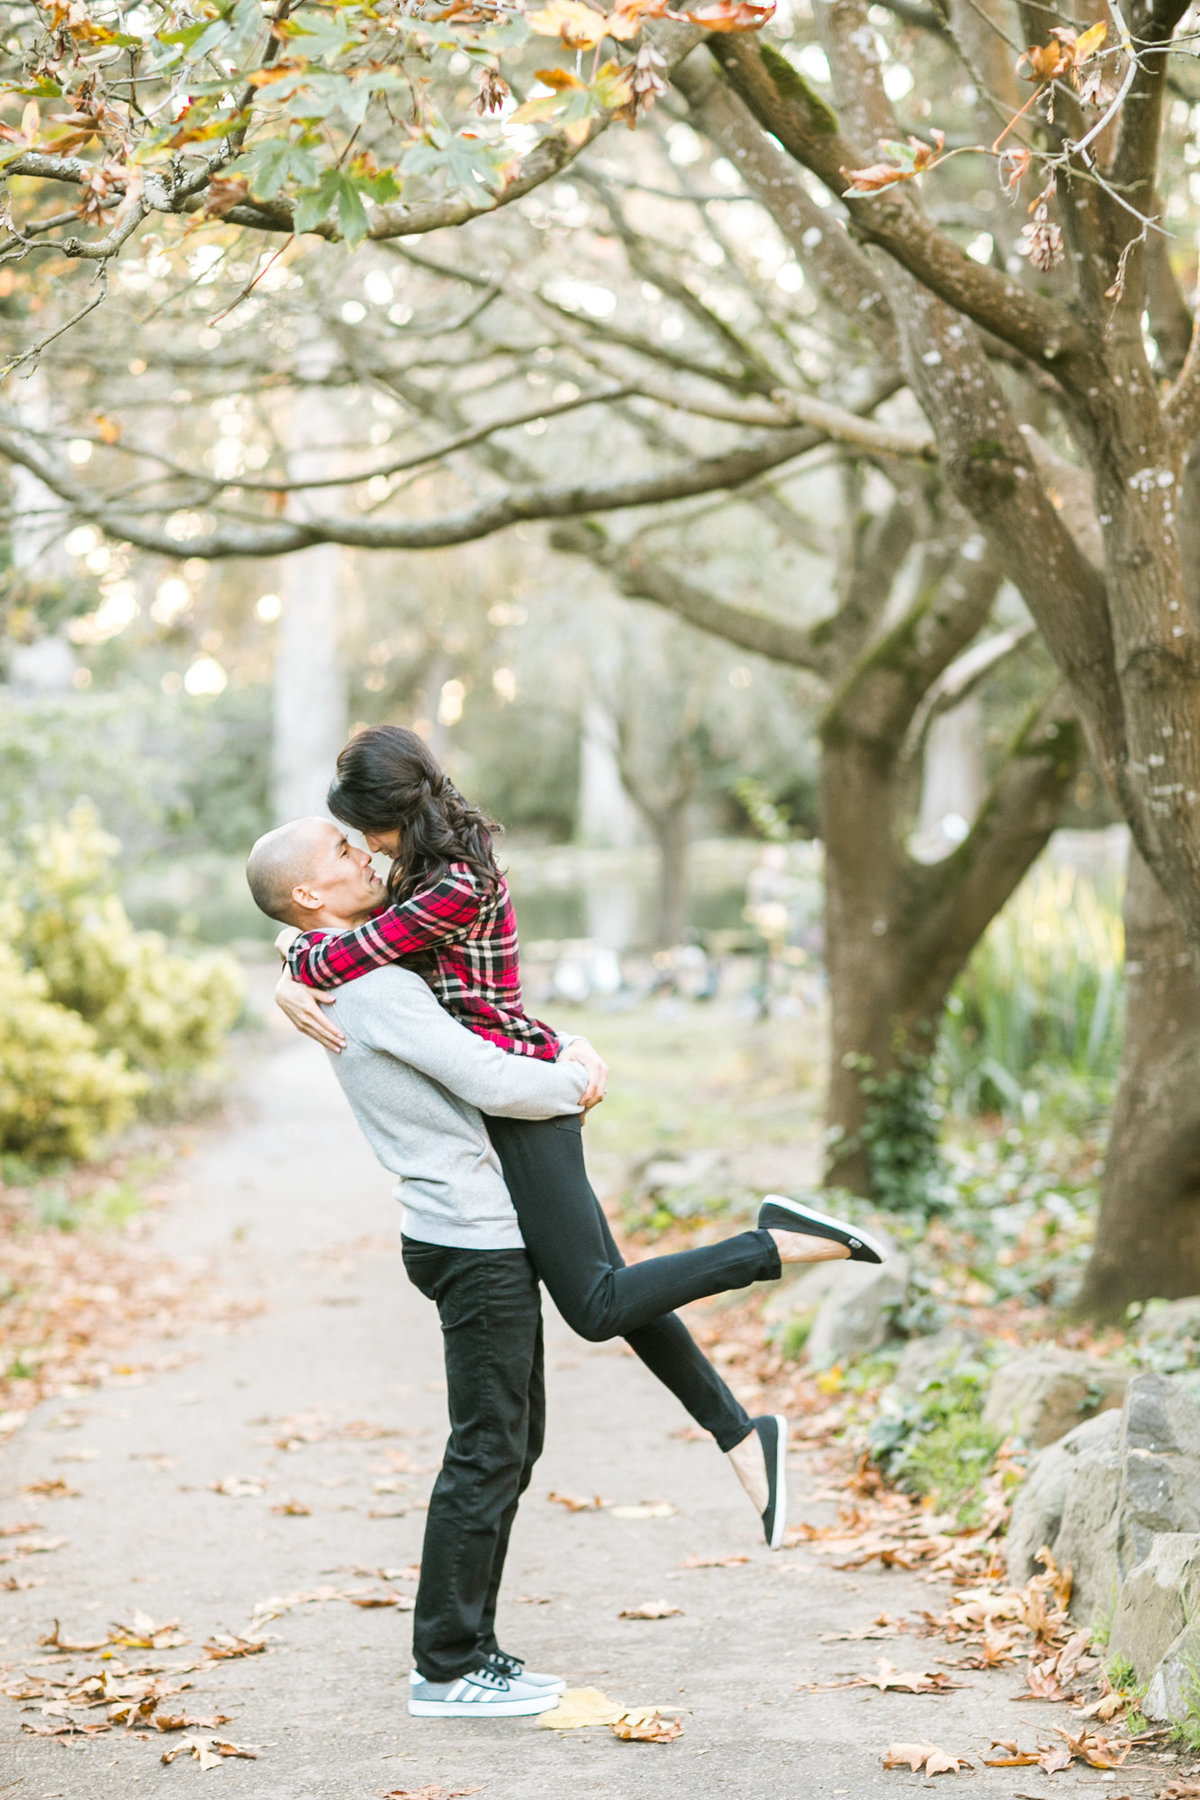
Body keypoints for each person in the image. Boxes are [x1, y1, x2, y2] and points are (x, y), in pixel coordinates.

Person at [270, 728, 885, 1543]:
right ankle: (740, 1434)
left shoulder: (453, 881)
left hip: (526, 1103)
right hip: (513, 1090)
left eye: (361, 835)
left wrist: (292, 969)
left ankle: (770, 1246)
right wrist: (288, 959)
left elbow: (351, 951)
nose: (363, 853)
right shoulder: (423, 869)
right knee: (618, 1292)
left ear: (391, 817)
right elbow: (324, 929)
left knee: (595, 1306)